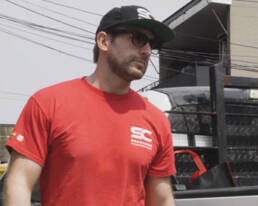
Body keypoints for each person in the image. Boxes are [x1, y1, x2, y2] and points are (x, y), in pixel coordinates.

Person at [3, 5, 176, 206]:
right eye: (138, 39)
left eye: (151, 45)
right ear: (104, 41)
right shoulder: (48, 103)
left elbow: (161, 199)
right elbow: (19, 183)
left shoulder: (156, 120)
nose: (147, 51)